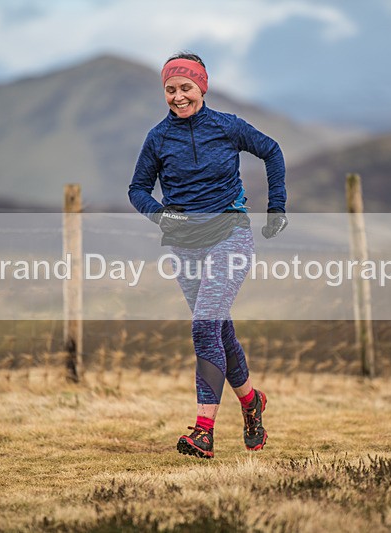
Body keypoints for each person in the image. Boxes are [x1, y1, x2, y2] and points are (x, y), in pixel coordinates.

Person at [128, 52, 288, 459]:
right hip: (184, 245)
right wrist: (160, 215)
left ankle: (203, 431)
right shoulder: (158, 138)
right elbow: (137, 189)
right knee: (218, 329)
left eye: (186, 88)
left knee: (204, 325)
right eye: (170, 89)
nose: (178, 97)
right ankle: (251, 402)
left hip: (230, 234)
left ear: (202, 86)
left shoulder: (227, 127)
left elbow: (271, 151)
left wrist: (277, 207)